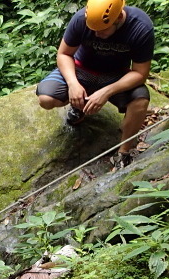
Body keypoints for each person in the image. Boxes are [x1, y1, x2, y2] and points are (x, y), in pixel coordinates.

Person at [36, 0, 155, 167]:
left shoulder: (140, 27)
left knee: (140, 101)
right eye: (93, 29)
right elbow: (63, 54)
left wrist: (107, 92)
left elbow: (140, 73)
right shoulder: (80, 20)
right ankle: (79, 107)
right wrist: (73, 84)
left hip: (115, 74)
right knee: (46, 99)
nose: (97, 34)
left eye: (102, 30)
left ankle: (124, 151)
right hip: (81, 69)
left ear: (119, 17)